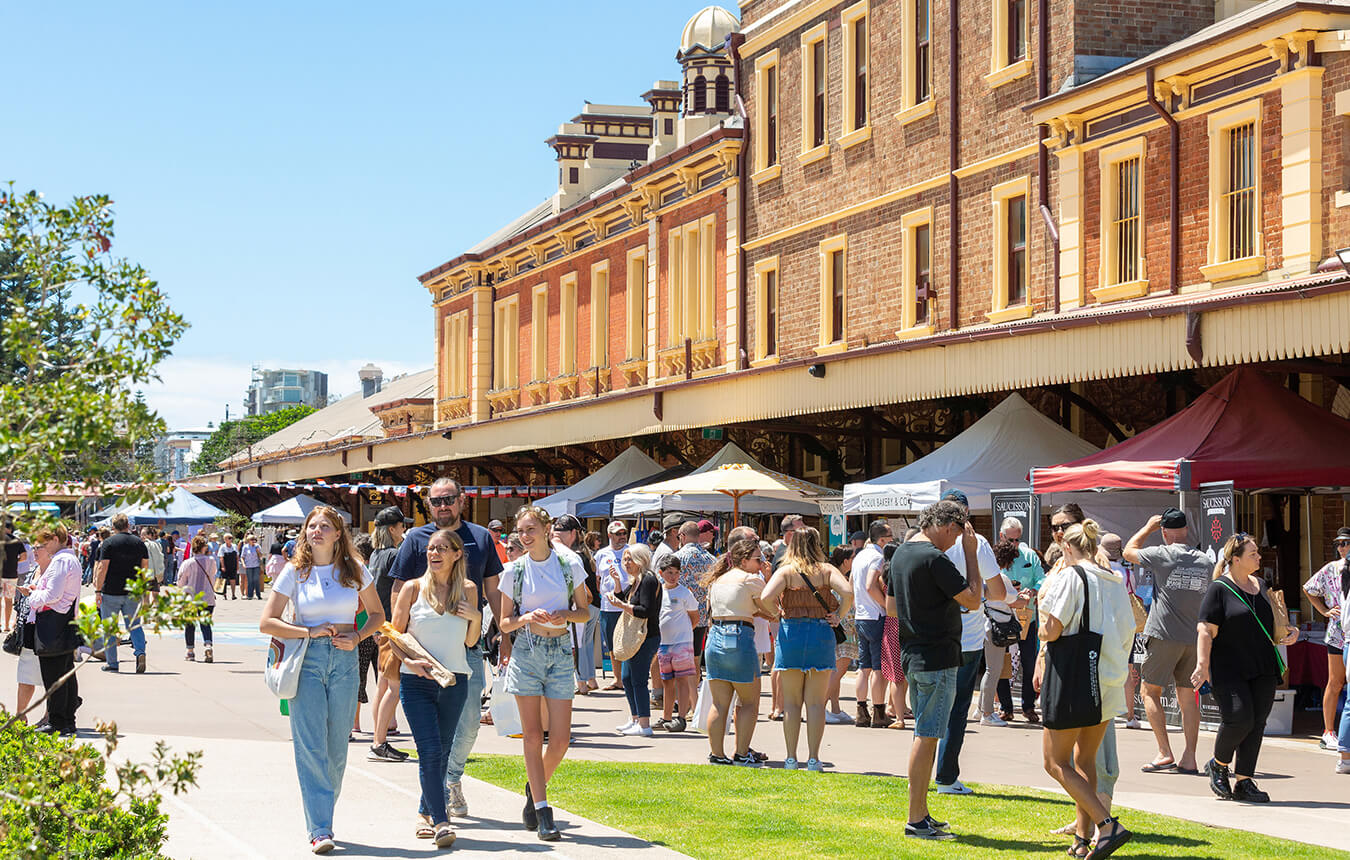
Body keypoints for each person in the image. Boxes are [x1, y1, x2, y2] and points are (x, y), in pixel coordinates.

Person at [259, 505, 385, 855]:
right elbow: (267, 621)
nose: (316, 531)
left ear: (338, 533)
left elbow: (377, 615)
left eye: (324, 526)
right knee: (311, 745)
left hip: (345, 659)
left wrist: (358, 637)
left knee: (336, 749)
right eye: (311, 526)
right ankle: (320, 828)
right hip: (308, 659)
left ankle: (323, 811)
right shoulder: (294, 572)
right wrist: (307, 630)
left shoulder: (355, 569)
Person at [388, 478, 504, 819]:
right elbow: (399, 589)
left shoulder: (481, 537)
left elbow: (492, 590)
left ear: (462, 500)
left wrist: (502, 631)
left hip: (465, 645)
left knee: (468, 725)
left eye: (449, 499)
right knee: (431, 739)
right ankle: (437, 802)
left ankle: (451, 779)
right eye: (436, 501)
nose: (442, 506)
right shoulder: (415, 539)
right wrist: (400, 639)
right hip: (422, 648)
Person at [1036, 519, 1135, 859]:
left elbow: (1052, 628)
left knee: (1055, 761)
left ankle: (1107, 826)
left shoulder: (1069, 577)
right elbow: (1128, 631)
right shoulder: (1114, 580)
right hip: (1106, 677)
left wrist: (1039, 606)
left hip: (1072, 676)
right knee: (1085, 760)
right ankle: (1082, 836)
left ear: (1066, 547)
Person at [496, 505, 590, 842]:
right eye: (521, 530)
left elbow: (584, 613)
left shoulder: (568, 564)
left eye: (530, 529)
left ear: (547, 529)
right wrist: (525, 618)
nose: (524, 535)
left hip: (561, 650)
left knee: (561, 740)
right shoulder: (514, 571)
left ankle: (534, 786)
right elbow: (504, 622)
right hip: (527, 652)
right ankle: (542, 809)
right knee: (533, 735)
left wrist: (563, 612)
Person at [889, 500, 982, 840]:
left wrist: (927, 608)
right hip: (936, 657)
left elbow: (891, 607)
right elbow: (973, 598)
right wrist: (971, 554)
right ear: (946, 526)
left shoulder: (901, 554)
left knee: (925, 735)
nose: (958, 540)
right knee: (927, 737)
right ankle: (916, 819)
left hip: (914, 653)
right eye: (958, 533)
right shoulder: (934, 557)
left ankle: (922, 814)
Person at [391, 527, 482, 848]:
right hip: (416, 681)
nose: (434, 553)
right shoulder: (412, 589)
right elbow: (394, 634)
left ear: (457, 554)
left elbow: (471, 642)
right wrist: (410, 663)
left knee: (441, 753)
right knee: (429, 750)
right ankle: (442, 821)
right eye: (431, 548)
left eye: (442, 548)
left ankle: (423, 813)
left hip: (455, 680)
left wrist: (476, 617)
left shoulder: (469, 590)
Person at [1193, 533, 1300, 803]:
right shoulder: (1219, 588)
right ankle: (1218, 764)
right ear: (1236, 559)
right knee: (1240, 718)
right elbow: (1205, 629)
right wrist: (1202, 665)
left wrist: (1292, 631)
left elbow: (1276, 620)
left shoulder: (1262, 585)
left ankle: (1244, 781)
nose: (1259, 557)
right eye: (1253, 554)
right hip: (1229, 667)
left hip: (1262, 665)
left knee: (1257, 724)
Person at [1124, 508, 1209, 775]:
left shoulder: (1162, 554)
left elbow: (1128, 551)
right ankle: (1190, 757)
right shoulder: (1205, 560)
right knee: (1188, 698)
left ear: (1164, 532)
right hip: (1193, 638)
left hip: (1162, 634)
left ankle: (1164, 752)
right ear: (1186, 530)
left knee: (1149, 692)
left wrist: (1148, 527)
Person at [761, 526, 853, 772]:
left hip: (791, 633)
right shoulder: (827, 570)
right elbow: (847, 592)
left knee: (791, 702)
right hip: (821, 633)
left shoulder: (787, 571)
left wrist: (776, 613)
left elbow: (766, 596)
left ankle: (791, 758)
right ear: (817, 543)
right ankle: (813, 758)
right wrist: (838, 615)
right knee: (815, 703)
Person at [933, 489, 1004, 796]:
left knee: (929, 708)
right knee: (956, 709)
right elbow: (998, 591)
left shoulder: (926, 542)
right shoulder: (976, 544)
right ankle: (946, 777)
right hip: (966, 638)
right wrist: (974, 597)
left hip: (933, 635)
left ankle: (923, 773)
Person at [702, 538, 773, 766]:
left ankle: (716, 754)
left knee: (719, 703)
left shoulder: (718, 580)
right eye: (758, 559)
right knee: (749, 702)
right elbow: (773, 609)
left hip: (715, 638)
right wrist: (768, 580)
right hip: (740, 637)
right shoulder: (751, 579)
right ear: (744, 560)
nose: (761, 563)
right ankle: (742, 753)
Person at [18, 522, 83, 736]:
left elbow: (52, 595)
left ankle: (56, 721)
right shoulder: (70, 559)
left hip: (52, 623)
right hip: (63, 622)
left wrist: (33, 596)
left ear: (55, 539)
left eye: (44, 543)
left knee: (53, 677)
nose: (41, 548)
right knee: (65, 674)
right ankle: (67, 721)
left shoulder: (61, 560)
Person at [368, 506, 412, 763]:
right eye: (401, 526)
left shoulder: (376, 554)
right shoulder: (395, 555)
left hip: (379, 625)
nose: (404, 530)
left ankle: (378, 738)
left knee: (383, 684)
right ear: (392, 529)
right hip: (391, 625)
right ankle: (379, 742)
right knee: (393, 687)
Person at [1303, 525, 1349, 750]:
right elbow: (1309, 588)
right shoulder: (1331, 569)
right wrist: (1323, 611)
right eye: (1339, 543)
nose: (1342, 547)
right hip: (1338, 632)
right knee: (1335, 681)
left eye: (1346, 543)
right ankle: (1328, 730)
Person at [609, 543, 662, 736]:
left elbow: (645, 610)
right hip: (635, 638)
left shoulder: (648, 580)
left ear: (641, 559)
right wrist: (616, 582)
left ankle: (645, 724)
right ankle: (635, 719)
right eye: (625, 559)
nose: (626, 562)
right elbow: (621, 598)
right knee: (626, 678)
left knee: (638, 680)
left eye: (630, 558)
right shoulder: (636, 580)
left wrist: (622, 605)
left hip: (646, 636)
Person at [1000, 516, 1046, 722]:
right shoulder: (996, 557)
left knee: (1029, 661)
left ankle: (1028, 706)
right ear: (1002, 537)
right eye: (1010, 540)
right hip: (1003, 616)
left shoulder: (1029, 555)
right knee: (1003, 663)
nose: (1015, 544)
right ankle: (1005, 706)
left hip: (1028, 617)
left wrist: (1033, 591)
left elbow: (1042, 578)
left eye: (1017, 540)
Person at [92, 513, 149, 674]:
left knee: (109, 627)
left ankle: (112, 662)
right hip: (132, 591)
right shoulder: (139, 543)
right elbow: (145, 567)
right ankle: (140, 652)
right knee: (135, 625)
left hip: (111, 590)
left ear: (113, 526)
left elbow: (103, 568)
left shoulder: (108, 543)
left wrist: (97, 589)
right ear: (128, 525)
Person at [551, 514, 600, 696]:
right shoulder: (571, 557)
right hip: (567, 621)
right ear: (573, 533)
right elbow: (585, 596)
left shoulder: (539, 551)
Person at [851, 520, 893, 728]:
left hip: (861, 615)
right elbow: (870, 586)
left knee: (863, 666)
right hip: (876, 615)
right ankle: (878, 712)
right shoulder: (878, 557)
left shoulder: (859, 556)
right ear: (882, 539)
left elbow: (852, 584)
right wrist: (886, 605)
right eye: (890, 537)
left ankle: (861, 711)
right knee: (878, 668)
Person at [979, 539, 1026, 726]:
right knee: (994, 671)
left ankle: (981, 709)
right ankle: (988, 713)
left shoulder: (982, 575)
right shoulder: (1000, 578)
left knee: (989, 670)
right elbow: (1014, 601)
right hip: (997, 629)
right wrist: (1026, 597)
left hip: (985, 626)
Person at [654, 555, 699, 731]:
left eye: (676, 573)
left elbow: (694, 617)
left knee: (682, 680)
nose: (673, 576)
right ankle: (666, 717)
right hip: (663, 643)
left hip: (682, 643)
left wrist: (684, 634)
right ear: (661, 573)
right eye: (669, 572)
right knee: (666, 681)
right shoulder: (659, 592)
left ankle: (681, 717)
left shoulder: (684, 593)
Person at [594, 521, 630, 692]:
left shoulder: (631, 551)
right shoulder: (601, 554)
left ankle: (629, 677)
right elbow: (597, 579)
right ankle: (617, 679)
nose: (622, 536)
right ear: (609, 535)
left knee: (628, 643)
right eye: (618, 533)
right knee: (612, 645)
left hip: (627, 606)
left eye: (624, 532)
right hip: (608, 607)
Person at [673, 521, 714, 667]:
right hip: (702, 616)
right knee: (696, 658)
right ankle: (694, 688)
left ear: (682, 536)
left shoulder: (676, 558)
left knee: (680, 660)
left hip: (680, 616)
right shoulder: (711, 559)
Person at [826, 545, 856, 724]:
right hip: (842, 628)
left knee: (838, 670)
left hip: (843, 627)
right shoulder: (837, 579)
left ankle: (835, 708)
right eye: (852, 557)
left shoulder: (838, 577)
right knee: (839, 669)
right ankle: (821, 707)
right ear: (845, 561)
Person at [178, 536, 218, 663]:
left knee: (190, 625)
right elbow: (213, 575)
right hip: (208, 596)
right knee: (205, 623)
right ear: (204, 547)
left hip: (191, 598)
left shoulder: (187, 563)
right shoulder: (211, 561)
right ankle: (208, 645)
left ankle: (190, 651)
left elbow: (181, 583)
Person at [2, 517, 24, 632]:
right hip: (11, 574)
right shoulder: (17, 541)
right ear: (11, 529)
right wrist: (16, 561)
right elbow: (24, 556)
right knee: (8, 600)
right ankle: (6, 625)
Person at [240, 533, 264, 599]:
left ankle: (258, 594)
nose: (253, 541)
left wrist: (258, 552)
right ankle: (250, 595)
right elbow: (242, 557)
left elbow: (261, 556)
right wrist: (243, 564)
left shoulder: (257, 546)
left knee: (256, 579)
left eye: (254, 539)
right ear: (248, 540)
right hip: (248, 565)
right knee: (250, 580)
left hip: (256, 565)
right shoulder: (245, 547)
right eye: (251, 539)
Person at [217, 533, 240, 600]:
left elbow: (237, 556)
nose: (231, 539)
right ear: (225, 539)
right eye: (229, 538)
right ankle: (224, 594)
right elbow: (221, 557)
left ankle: (233, 594)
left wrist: (237, 565)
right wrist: (223, 566)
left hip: (233, 565)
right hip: (225, 565)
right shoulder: (222, 547)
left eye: (231, 538)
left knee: (233, 580)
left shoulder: (234, 546)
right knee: (224, 580)